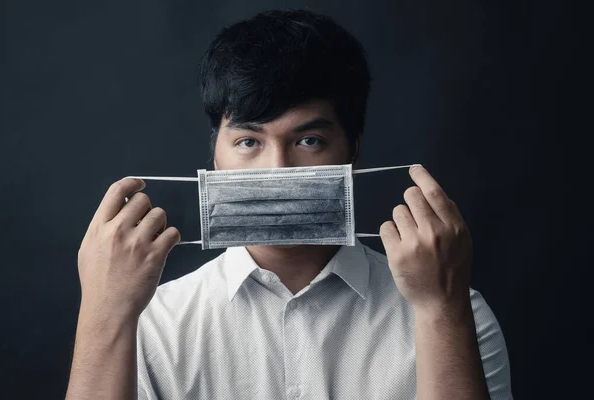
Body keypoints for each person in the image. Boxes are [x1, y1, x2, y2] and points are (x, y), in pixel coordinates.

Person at [65, 9, 512, 400]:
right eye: (248, 141)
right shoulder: (153, 323)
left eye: (309, 140)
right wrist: (104, 315)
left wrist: (440, 313)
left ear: (352, 151)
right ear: (215, 155)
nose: (278, 170)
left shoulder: (456, 312)